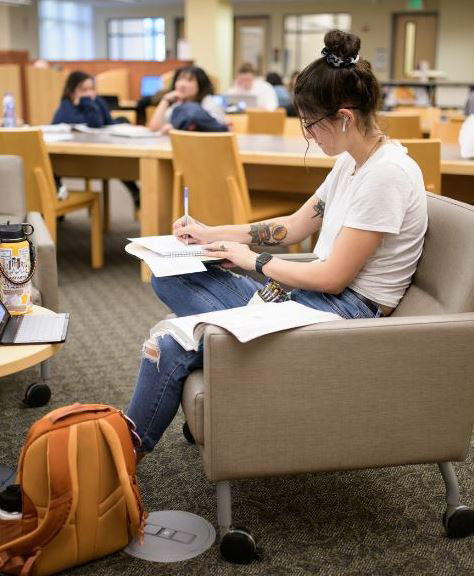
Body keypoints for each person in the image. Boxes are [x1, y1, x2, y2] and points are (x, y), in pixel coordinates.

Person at [127, 29, 428, 459]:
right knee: (172, 275)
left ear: (343, 117)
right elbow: (294, 227)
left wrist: (254, 261)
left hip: (346, 314)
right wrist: (212, 234)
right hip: (309, 296)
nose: (310, 135)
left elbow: (332, 277)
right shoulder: (352, 164)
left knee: (173, 344)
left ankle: (119, 456)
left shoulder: (387, 175)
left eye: (311, 124)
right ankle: (226, 336)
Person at [52, 71, 140, 210]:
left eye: (91, 89)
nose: (89, 94)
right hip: (74, 155)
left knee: (119, 161)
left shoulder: (97, 101)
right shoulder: (66, 105)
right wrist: (87, 103)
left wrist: (90, 103)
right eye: (83, 90)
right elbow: (66, 122)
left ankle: (135, 193)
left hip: (101, 151)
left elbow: (102, 122)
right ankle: (58, 194)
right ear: (71, 92)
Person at [148, 66, 225, 133]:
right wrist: (165, 100)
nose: (182, 84)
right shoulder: (177, 105)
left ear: (200, 84)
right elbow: (154, 128)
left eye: (189, 80)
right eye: (179, 79)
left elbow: (217, 131)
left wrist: (176, 128)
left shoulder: (208, 103)